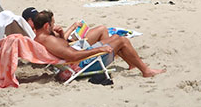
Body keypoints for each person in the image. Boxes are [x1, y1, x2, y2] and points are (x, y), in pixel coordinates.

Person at [32, 10, 164, 78]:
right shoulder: (49, 40)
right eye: (52, 24)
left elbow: (64, 49)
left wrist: (61, 34)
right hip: (80, 65)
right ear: (46, 25)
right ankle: (146, 71)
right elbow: (72, 56)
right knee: (122, 40)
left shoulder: (40, 37)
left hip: (72, 63)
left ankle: (132, 64)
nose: (54, 25)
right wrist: (98, 49)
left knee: (116, 37)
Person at [22, 7, 114, 46]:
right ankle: (108, 55)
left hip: (70, 42)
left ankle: (110, 53)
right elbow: (62, 44)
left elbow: (60, 41)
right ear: (29, 21)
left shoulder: (38, 33)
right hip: (73, 45)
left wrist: (62, 33)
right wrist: (72, 27)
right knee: (102, 30)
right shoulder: (40, 34)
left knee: (102, 32)